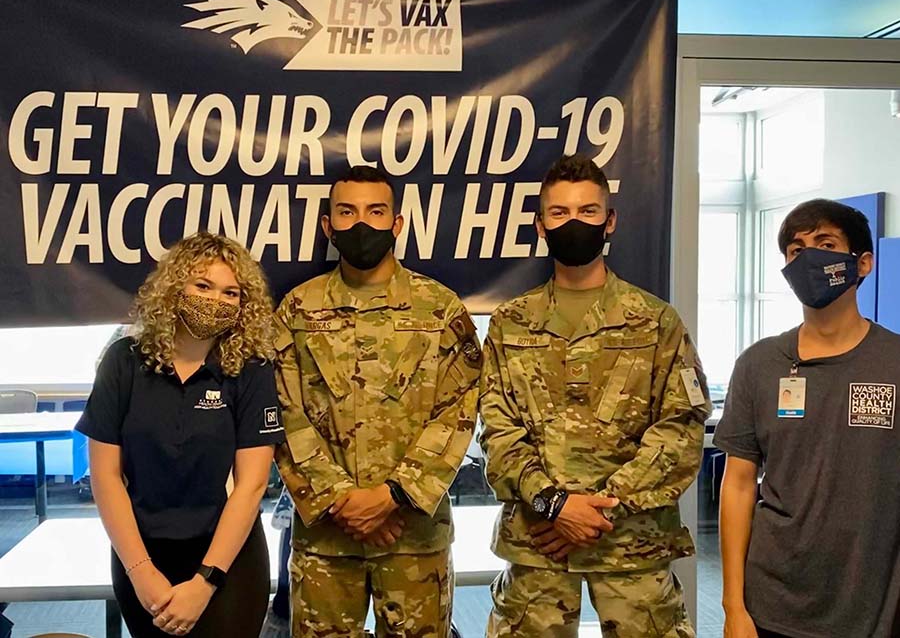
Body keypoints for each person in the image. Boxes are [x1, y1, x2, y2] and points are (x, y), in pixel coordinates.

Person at [479, 153, 710, 637]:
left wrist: (600, 508)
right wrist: (554, 506)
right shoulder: (509, 323)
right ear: (541, 225)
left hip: (632, 547)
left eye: (587, 212)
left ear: (610, 222)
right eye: (559, 213)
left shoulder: (656, 321)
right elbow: (497, 431)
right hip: (539, 544)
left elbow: (680, 430)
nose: (573, 223)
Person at [274, 165, 482, 637]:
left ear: (397, 223)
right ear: (328, 226)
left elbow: (461, 406)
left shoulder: (440, 308)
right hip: (327, 536)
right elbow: (283, 412)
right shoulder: (297, 310)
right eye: (346, 212)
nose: (361, 224)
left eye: (375, 211)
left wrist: (393, 496)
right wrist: (341, 500)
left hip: (413, 537)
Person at [77, 232, 284, 637]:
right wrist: (140, 572)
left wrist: (206, 580)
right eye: (203, 286)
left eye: (231, 292)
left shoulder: (250, 369)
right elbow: (105, 476)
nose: (216, 300)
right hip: (141, 550)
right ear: (175, 288)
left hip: (226, 555)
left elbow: (252, 484)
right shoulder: (123, 361)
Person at [715, 199, 900, 638]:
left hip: (871, 608)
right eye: (796, 250)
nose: (809, 257)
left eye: (825, 243)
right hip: (772, 605)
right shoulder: (759, 364)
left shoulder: (894, 362)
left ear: (864, 264)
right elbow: (739, 484)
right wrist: (733, 606)